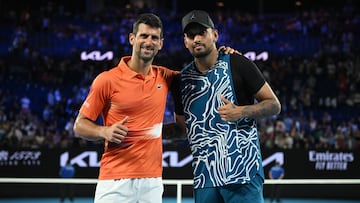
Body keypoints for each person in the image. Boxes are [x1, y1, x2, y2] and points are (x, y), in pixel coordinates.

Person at [73, 12, 237, 203]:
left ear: (161, 43)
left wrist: (224, 55)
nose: (148, 42)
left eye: (154, 37)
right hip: (114, 180)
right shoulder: (106, 80)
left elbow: (201, 71)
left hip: (152, 182)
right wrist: (104, 131)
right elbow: (80, 125)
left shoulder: (165, 77)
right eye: (144, 36)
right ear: (132, 39)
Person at [171, 10, 281, 203]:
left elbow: (274, 105)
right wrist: (141, 131)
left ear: (215, 34)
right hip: (205, 178)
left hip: (243, 173)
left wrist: (241, 111)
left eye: (202, 33)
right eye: (191, 35)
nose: (196, 39)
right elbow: (182, 129)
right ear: (185, 41)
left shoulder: (238, 63)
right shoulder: (182, 80)